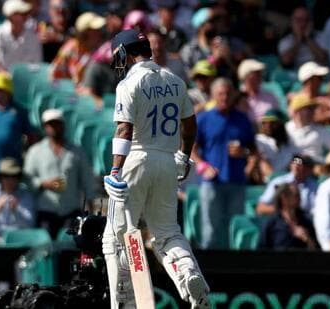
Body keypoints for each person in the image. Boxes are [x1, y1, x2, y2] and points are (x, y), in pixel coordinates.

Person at [102, 29, 210, 309]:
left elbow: (124, 129)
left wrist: (115, 170)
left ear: (125, 53)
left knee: (116, 236)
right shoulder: (175, 82)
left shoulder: (129, 83)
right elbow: (190, 125)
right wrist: (183, 158)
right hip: (166, 162)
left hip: (135, 161)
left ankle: (125, 303)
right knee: (167, 232)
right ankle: (189, 275)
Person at [192, 76, 256, 250]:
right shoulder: (204, 118)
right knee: (211, 229)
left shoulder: (242, 119)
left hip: (236, 181)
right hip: (212, 183)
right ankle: (209, 270)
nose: (224, 98)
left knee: (234, 228)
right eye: (220, 94)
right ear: (213, 96)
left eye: (228, 94)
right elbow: (191, 149)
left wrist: (245, 155)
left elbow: (253, 150)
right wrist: (202, 166)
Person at [23, 109, 95, 239]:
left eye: (57, 123)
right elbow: (28, 180)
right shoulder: (35, 151)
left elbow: (88, 181)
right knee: (46, 248)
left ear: (63, 125)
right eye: (50, 124)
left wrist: (91, 209)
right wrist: (43, 184)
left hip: (71, 210)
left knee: (70, 249)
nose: (54, 128)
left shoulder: (77, 152)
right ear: (45, 127)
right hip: (45, 210)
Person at [49, 12, 106, 86]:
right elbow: (54, 76)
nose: (99, 33)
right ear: (84, 33)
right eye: (95, 30)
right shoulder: (69, 49)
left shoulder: (99, 49)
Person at [0, 0, 43, 72]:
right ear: (11, 16)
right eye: (22, 14)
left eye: (27, 13)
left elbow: (36, 64)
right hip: (3, 79)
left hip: (26, 78)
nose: (27, 16)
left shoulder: (33, 36)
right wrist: (9, 77)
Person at [258, 183, 319, 250]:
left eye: (299, 195)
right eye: (296, 195)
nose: (300, 198)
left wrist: (307, 239)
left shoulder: (306, 221)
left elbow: (316, 249)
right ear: (284, 198)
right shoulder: (271, 223)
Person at [285, 94, 330, 164]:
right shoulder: (286, 128)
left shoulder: (321, 130)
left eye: (313, 108)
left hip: (314, 166)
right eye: (308, 109)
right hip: (292, 166)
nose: (313, 111)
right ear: (298, 111)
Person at [278, 6, 328, 70]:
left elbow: (323, 59)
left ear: (312, 22)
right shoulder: (285, 41)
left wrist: (308, 39)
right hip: (294, 76)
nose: (303, 24)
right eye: (299, 20)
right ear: (291, 22)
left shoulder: (321, 36)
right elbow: (286, 61)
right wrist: (298, 40)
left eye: (306, 20)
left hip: (318, 73)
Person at [254, 109, 299, 180]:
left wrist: (298, 164)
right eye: (265, 122)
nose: (268, 126)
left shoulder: (289, 143)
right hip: (266, 182)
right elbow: (262, 163)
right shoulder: (259, 140)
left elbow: (297, 158)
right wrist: (274, 178)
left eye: (273, 123)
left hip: (287, 180)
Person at [237, 58, 280, 124]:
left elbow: (277, 117)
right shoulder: (237, 99)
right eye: (256, 73)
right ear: (246, 77)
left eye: (260, 73)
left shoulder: (270, 96)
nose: (260, 76)